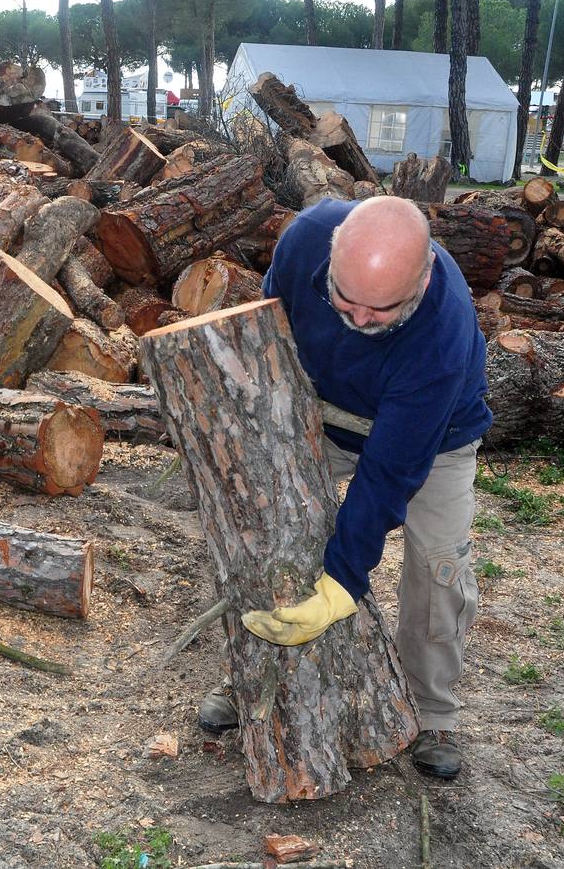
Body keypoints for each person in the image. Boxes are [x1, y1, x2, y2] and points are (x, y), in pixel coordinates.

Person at [196, 195, 493, 781]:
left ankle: (432, 711)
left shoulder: (441, 331)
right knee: (268, 526)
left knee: (438, 566)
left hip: (433, 432)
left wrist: (343, 581)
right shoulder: (306, 237)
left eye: (379, 312)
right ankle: (251, 678)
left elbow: (388, 473)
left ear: (423, 277)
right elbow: (269, 330)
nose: (357, 321)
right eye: (344, 300)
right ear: (331, 259)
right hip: (323, 408)